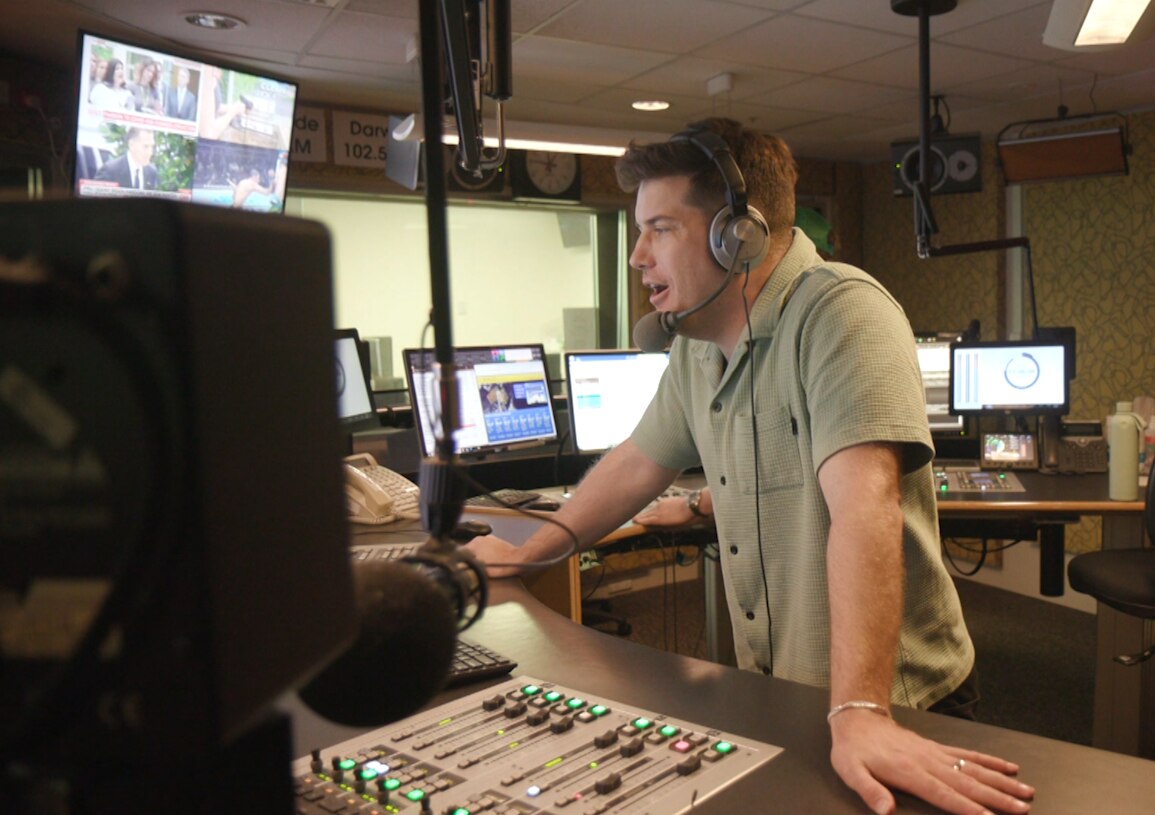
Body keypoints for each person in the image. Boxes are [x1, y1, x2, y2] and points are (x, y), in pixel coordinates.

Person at [466, 118, 1036, 815]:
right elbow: (637, 461)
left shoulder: (841, 315)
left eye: (659, 229)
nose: (637, 256)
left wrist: (861, 708)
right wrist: (531, 551)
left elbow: (865, 509)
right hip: (786, 693)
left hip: (891, 703)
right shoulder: (698, 345)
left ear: (736, 235)